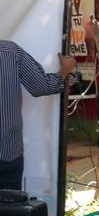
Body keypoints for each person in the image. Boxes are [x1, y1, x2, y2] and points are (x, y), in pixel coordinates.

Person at [0, 42, 75, 189]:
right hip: (7, 151)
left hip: (8, 151)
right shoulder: (9, 51)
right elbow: (41, 86)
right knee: (9, 207)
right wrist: (64, 71)